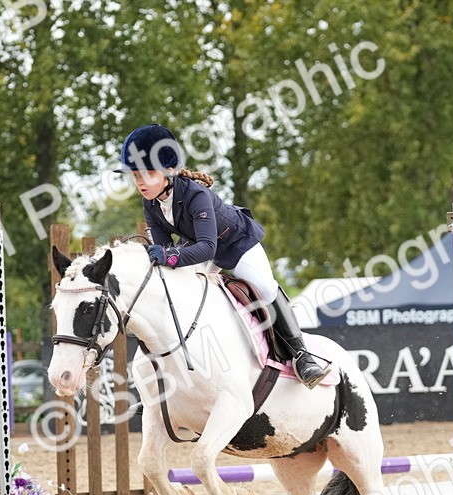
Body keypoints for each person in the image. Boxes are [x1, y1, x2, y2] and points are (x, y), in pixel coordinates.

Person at [113, 123, 332, 389]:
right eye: (135, 176)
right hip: (196, 248)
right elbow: (166, 249)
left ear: (168, 170)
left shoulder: (197, 196)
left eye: (146, 174)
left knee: (265, 287)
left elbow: (208, 248)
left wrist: (169, 256)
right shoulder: (151, 203)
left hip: (235, 245)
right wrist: (162, 258)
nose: (139, 183)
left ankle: (301, 356)